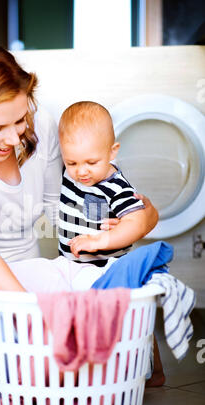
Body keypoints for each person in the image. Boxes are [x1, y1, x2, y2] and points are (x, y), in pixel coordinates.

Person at [0, 45, 160, 395]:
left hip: (24, 275)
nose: (13, 139)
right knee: (15, 375)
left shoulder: (42, 126)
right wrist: (42, 322)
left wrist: (133, 219)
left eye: (20, 120)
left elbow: (64, 207)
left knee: (93, 361)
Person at [58, 101, 165, 386]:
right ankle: (91, 368)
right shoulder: (71, 170)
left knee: (132, 317)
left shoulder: (116, 187)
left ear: (112, 152)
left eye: (91, 162)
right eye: (72, 162)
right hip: (74, 265)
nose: (81, 171)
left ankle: (154, 370)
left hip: (108, 266)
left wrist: (100, 240)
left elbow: (135, 222)